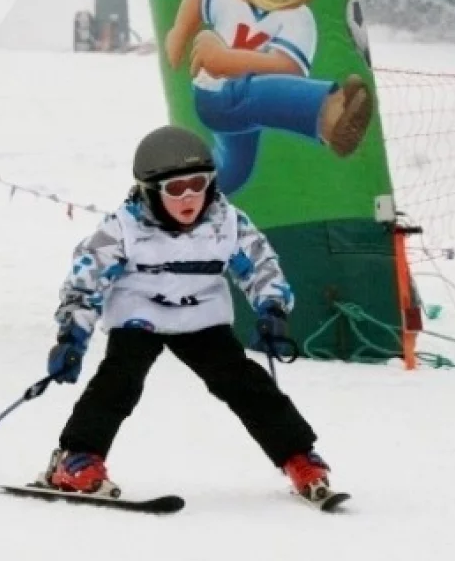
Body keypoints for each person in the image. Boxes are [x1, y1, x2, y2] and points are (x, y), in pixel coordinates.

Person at [37, 124, 334, 501]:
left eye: (199, 183)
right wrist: (71, 337)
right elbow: (86, 281)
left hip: (200, 314)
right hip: (139, 311)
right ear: (151, 191)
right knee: (120, 380)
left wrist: (272, 307)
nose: (189, 197)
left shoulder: (227, 224)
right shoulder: (124, 227)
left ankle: (298, 456)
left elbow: (261, 266)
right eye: (175, 189)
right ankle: (77, 458)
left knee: (243, 382)